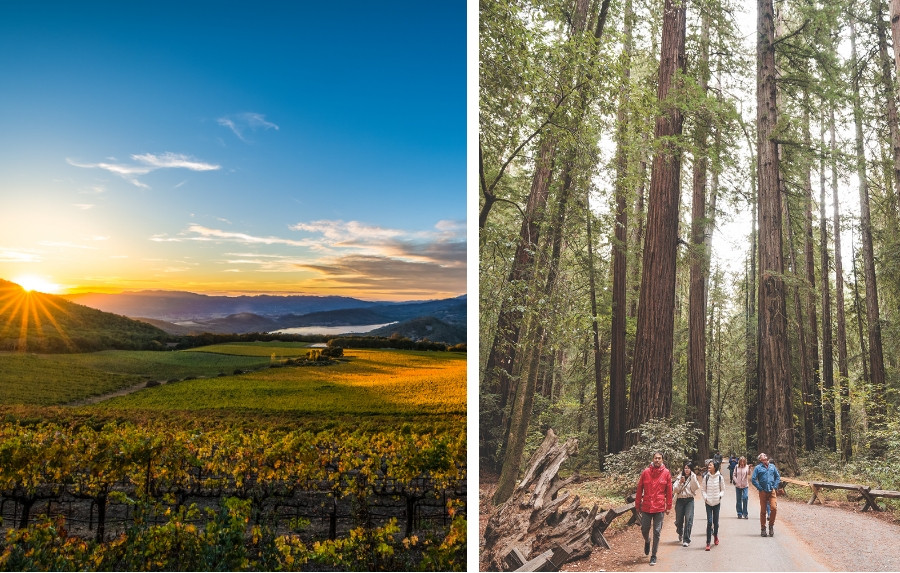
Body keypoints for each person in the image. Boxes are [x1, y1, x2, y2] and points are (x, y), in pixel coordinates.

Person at [635, 452, 673, 566]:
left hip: (660, 507)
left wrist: (669, 506)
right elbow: (639, 488)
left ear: (662, 460)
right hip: (646, 506)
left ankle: (653, 555)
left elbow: (669, 491)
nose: (657, 460)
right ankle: (647, 541)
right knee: (644, 529)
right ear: (653, 459)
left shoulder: (666, 473)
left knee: (657, 531)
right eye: (655, 458)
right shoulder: (645, 472)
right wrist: (638, 504)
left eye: (659, 458)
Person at [751, 452, 781, 537]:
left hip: (771, 490)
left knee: (774, 508)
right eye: (761, 456)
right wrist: (760, 488)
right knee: (763, 511)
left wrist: (775, 486)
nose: (763, 456)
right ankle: (763, 529)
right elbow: (753, 479)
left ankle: (771, 526)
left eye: (764, 455)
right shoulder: (758, 468)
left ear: (766, 457)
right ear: (760, 459)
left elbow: (777, 477)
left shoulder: (772, 466)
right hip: (763, 491)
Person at [673, 461, 700, 547]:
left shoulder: (693, 477)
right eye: (685, 468)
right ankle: (680, 531)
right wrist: (681, 482)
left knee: (689, 519)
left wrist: (693, 477)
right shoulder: (679, 477)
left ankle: (686, 539)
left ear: (691, 469)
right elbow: (675, 490)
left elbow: (695, 488)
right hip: (680, 501)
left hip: (689, 500)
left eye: (688, 468)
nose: (686, 470)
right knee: (679, 520)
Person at [701, 459, 725, 551]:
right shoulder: (706, 477)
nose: (709, 466)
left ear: (715, 467)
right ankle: (708, 542)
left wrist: (720, 496)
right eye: (709, 465)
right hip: (708, 503)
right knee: (709, 522)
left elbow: (723, 489)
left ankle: (715, 536)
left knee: (716, 522)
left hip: (717, 503)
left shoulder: (720, 477)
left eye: (710, 465)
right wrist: (705, 497)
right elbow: (703, 489)